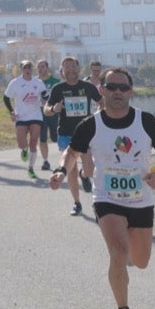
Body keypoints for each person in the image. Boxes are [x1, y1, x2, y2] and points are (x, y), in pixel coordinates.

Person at [53, 67, 155, 309]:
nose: (117, 92)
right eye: (111, 87)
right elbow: (71, 153)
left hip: (141, 199)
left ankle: (128, 256)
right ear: (102, 90)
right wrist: (62, 170)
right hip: (107, 198)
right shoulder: (91, 125)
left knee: (140, 261)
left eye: (123, 87)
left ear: (130, 91)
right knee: (118, 253)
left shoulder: (144, 121)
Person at [43, 56, 102, 215]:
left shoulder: (88, 87)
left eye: (73, 67)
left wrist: (97, 115)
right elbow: (46, 109)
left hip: (86, 133)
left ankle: (85, 176)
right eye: (66, 67)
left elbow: (102, 102)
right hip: (66, 134)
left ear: (78, 69)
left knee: (90, 170)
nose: (70, 70)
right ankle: (77, 203)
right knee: (71, 170)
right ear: (62, 71)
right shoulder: (58, 88)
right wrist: (54, 109)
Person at [3, 60, 48, 179]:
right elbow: (6, 98)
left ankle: (31, 168)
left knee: (33, 141)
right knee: (21, 142)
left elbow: (44, 94)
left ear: (31, 70)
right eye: (25, 68)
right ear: (21, 69)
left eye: (29, 68)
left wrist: (45, 99)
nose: (27, 70)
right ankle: (24, 149)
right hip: (21, 116)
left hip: (35, 115)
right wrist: (12, 112)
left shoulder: (38, 82)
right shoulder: (15, 83)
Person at [36, 59, 57, 166]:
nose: (40, 69)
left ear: (47, 68)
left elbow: (60, 97)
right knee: (42, 138)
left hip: (53, 114)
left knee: (55, 138)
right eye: (38, 67)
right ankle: (45, 161)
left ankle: (70, 154)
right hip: (39, 115)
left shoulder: (55, 82)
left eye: (42, 67)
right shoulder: (33, 82)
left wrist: (50, 101)